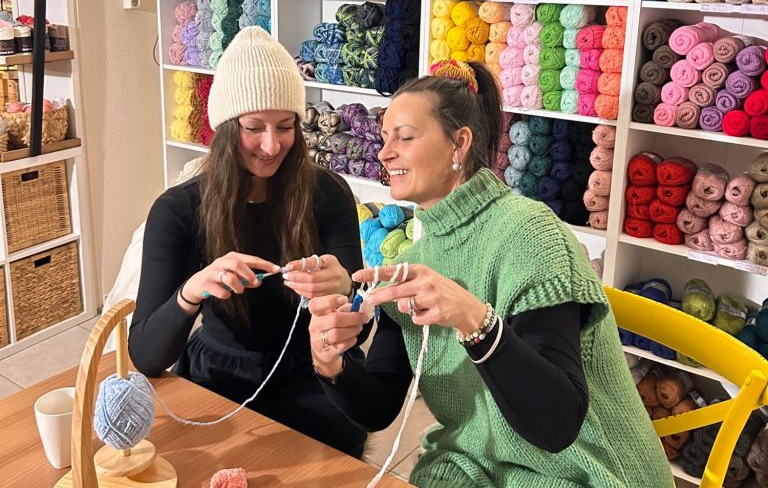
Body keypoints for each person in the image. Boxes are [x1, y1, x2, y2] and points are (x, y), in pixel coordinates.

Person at [308, 59, 674, 487]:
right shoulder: (416, 260)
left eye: (404, 137)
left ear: (458, 144)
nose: (385, 153)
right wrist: (330, 362)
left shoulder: (529, 235)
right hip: (481, 468)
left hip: (589, 474)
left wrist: (474, 320)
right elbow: (380, 405)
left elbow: (557, 427)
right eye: (386, 138)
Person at [129, 26, 368, 458]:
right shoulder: (178, 211)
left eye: (286, 126)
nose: (272, 145)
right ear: (224, 128)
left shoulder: (328, 195)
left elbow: (361, 324)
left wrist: (347, 292)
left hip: (313, 373)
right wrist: (191, 291)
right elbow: (145, 355)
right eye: (253, 127)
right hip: (218, 378)